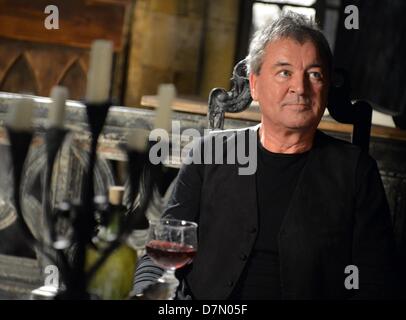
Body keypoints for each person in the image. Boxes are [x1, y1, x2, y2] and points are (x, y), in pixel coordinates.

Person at [133, 12, 398, 300]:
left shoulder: (356, 171)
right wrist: (147, 295)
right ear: (255, 83)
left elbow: (375, 281)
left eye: (314, 74)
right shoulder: (209, 154)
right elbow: (160, 253)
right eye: (284, 72)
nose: (300, 87)